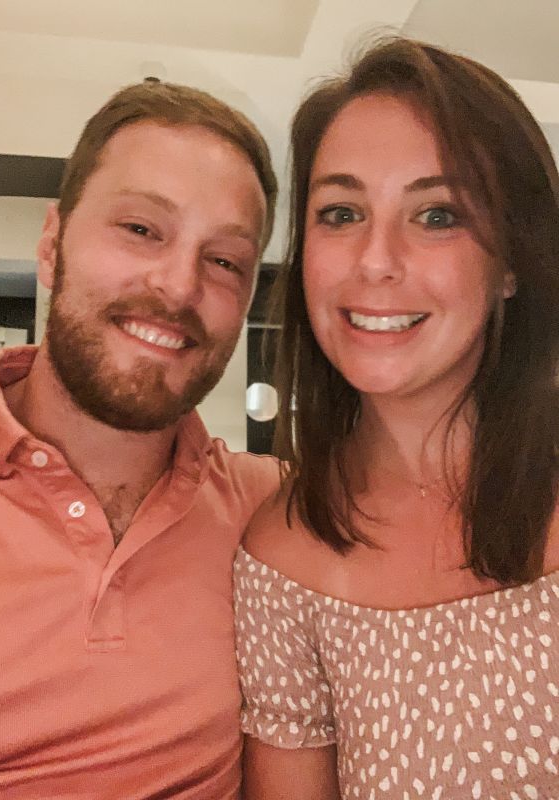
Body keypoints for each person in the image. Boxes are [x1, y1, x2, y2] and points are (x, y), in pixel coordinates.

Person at [235, 38, 559, 800]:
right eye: (341, 213)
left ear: (513, 263)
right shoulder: (281, 558)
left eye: (437, 214)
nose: (375, 260)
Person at [0, 79, 279, 799]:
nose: (178, 286)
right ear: (52, 244)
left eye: (224, 261)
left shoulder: (272, 515)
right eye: (141, 229)